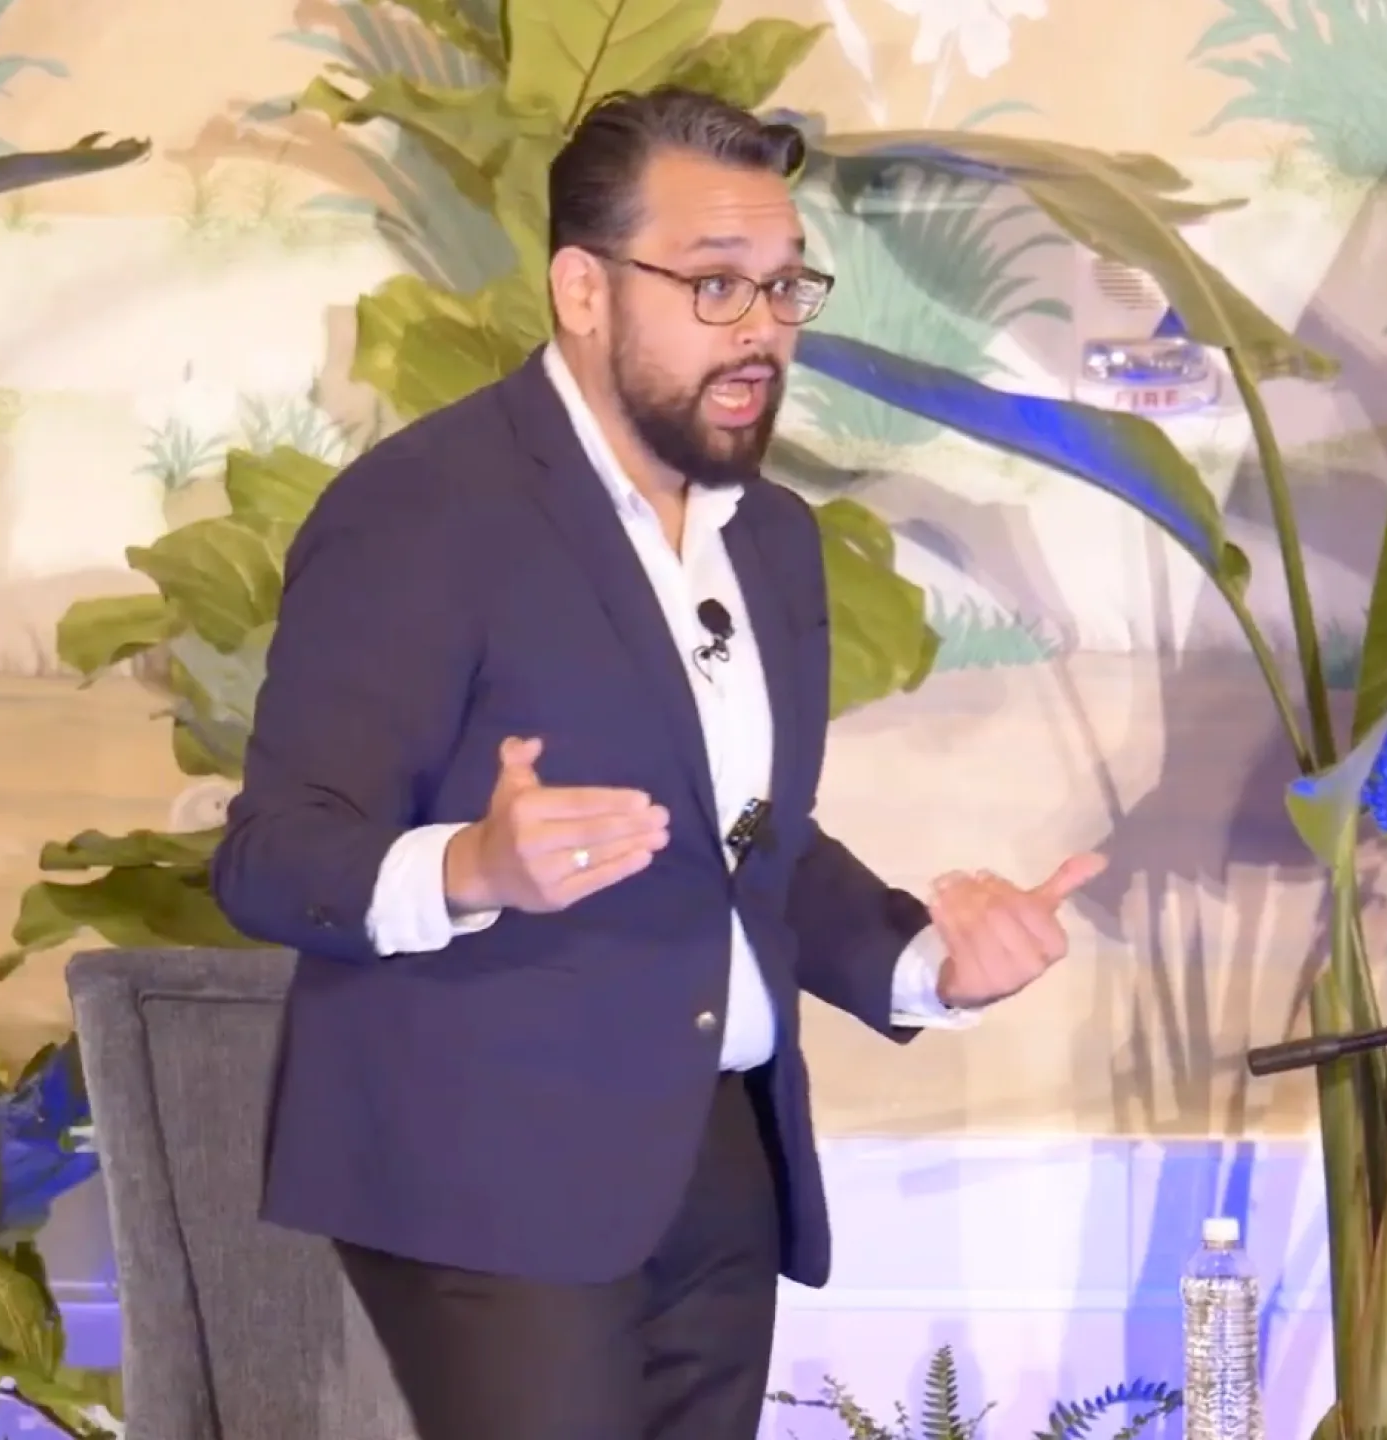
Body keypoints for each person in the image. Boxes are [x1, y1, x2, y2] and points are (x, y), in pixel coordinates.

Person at [208, 85, 1105, 1440]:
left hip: (717, 1151)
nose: (760, 330)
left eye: (784, 287)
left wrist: (926, 964)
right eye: (714, 286)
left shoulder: (771, 538)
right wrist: (474, 865)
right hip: (486, 1166)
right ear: (582, 288)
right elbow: (276, 852)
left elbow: (748, 845)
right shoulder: (426, 512)